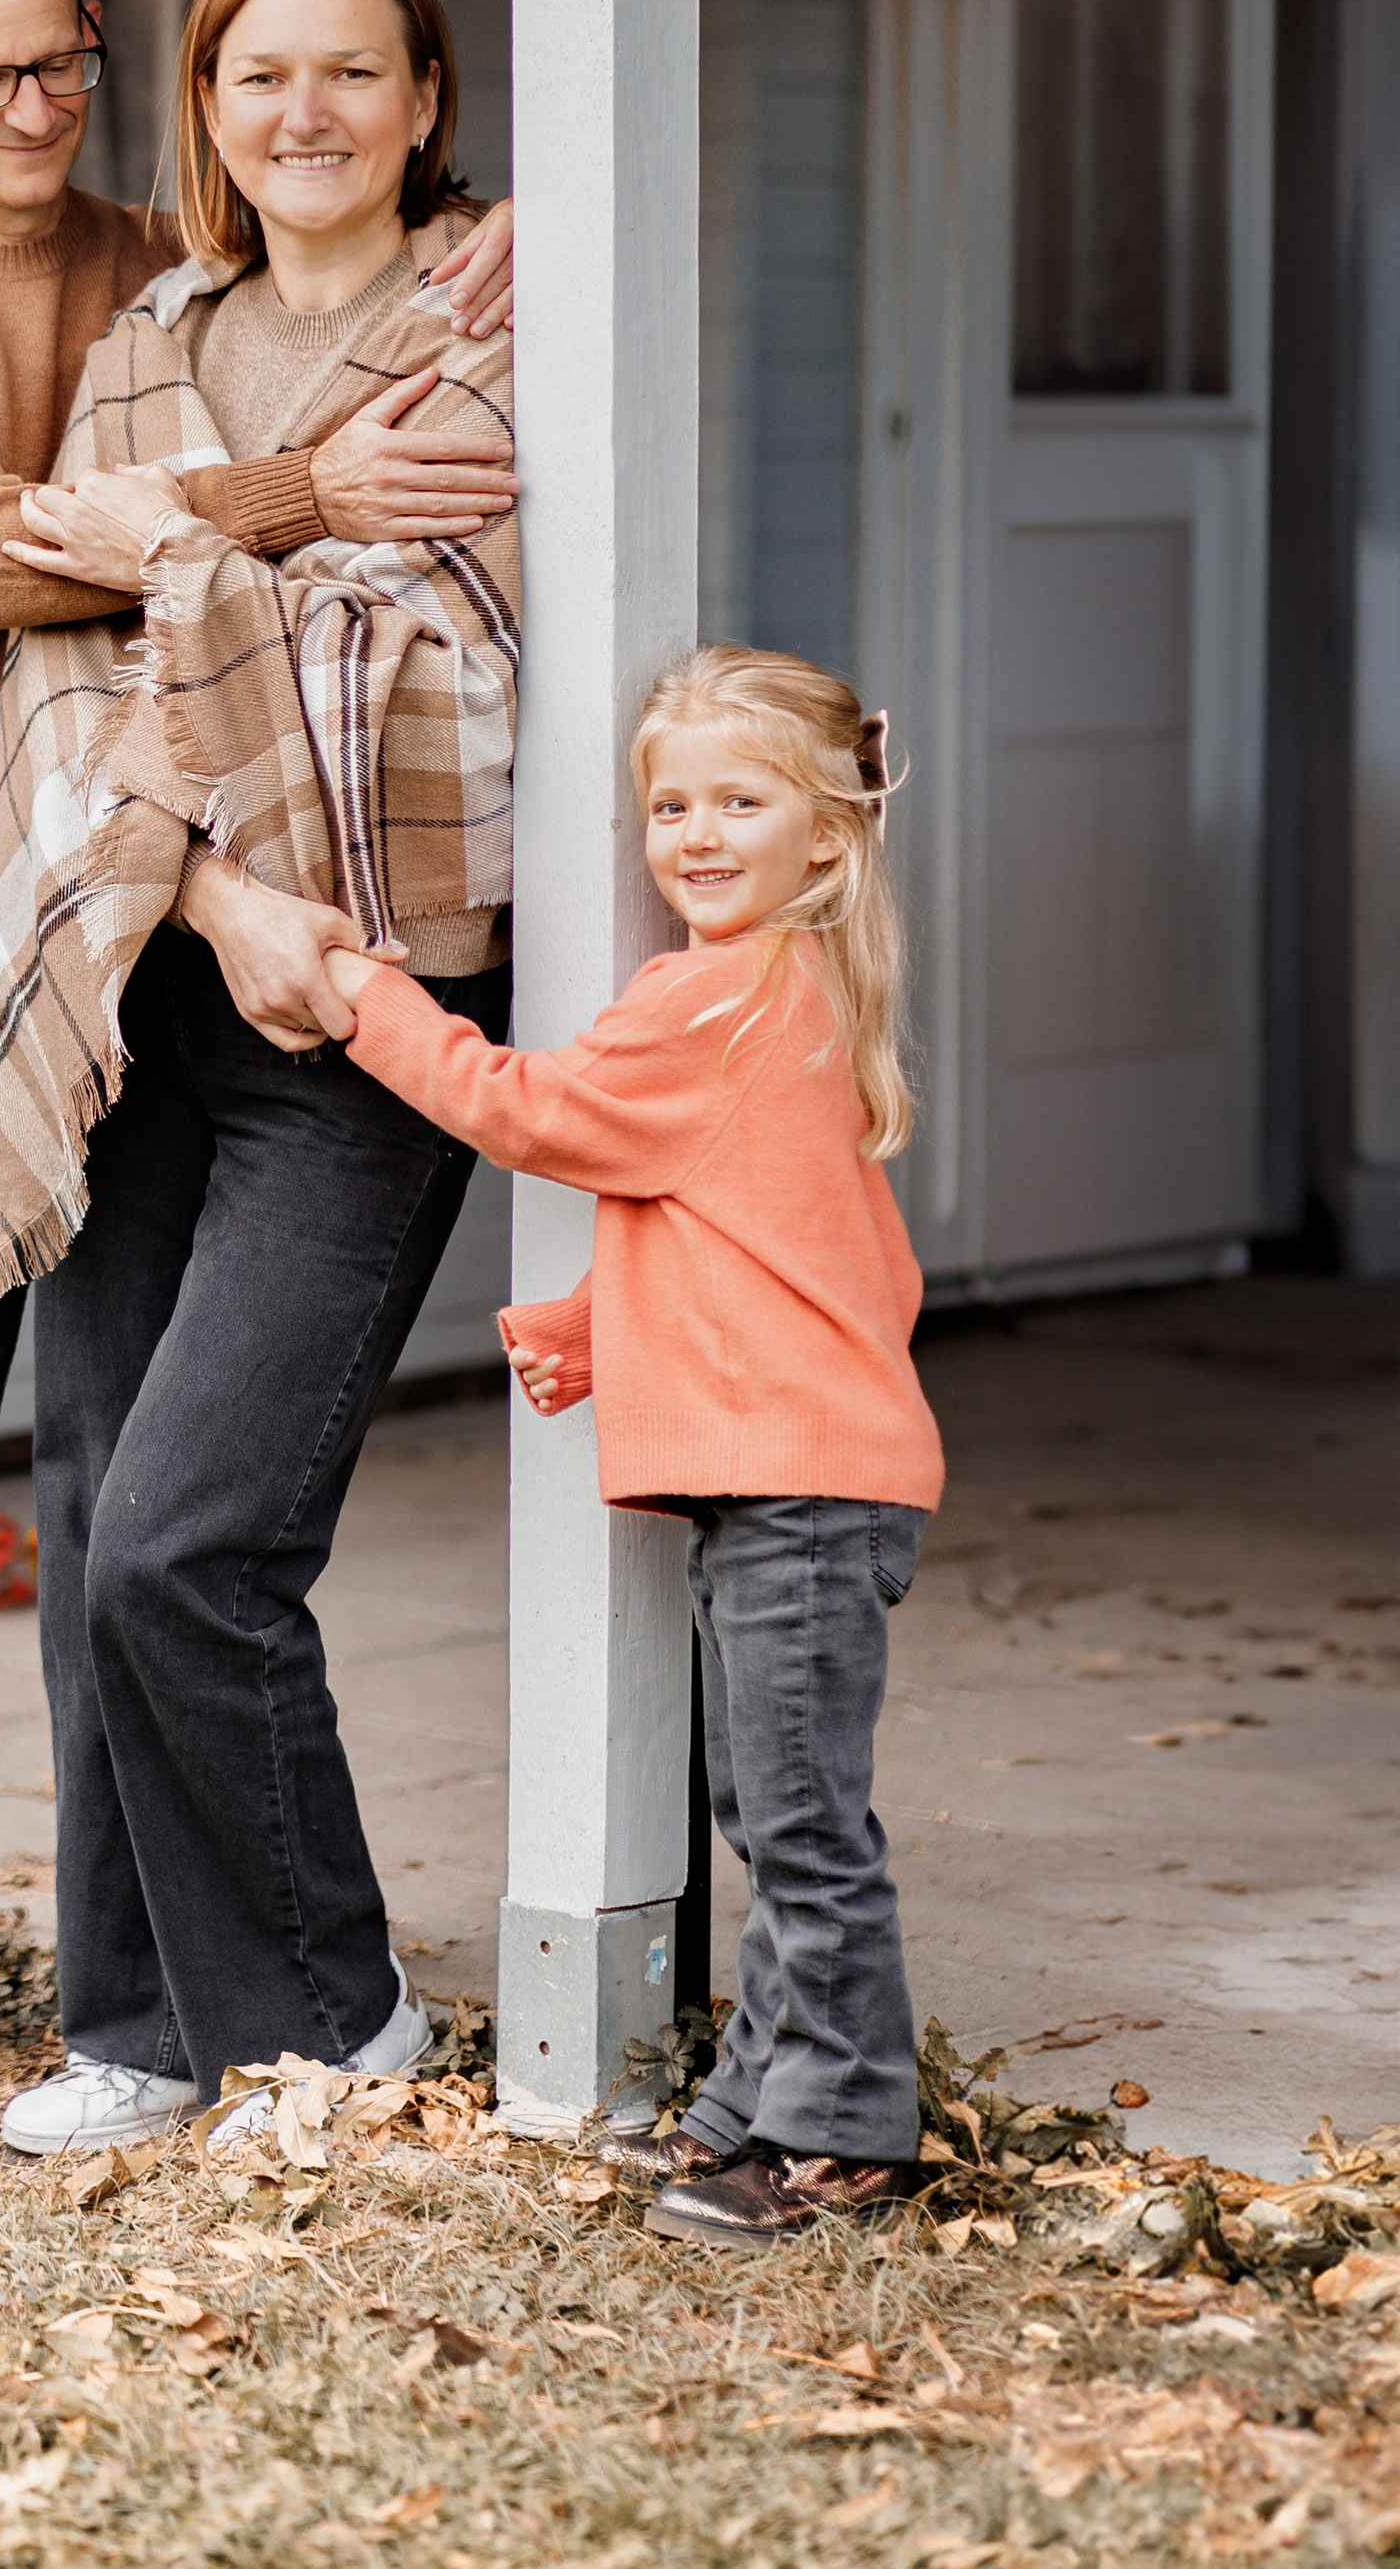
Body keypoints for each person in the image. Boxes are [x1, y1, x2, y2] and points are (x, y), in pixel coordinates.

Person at [0, 0, 516, 2130]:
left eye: (56, 64)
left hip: (285, 964)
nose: (26, 108)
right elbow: (19, 568)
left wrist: (186, 538)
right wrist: (289, 507)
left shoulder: (166, 275)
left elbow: (359, 600)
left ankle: (210, 2012)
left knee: (147, 1524)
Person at [323, 643, 943, 2245]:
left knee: (802, 1829)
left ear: (829, 833)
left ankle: (844, 2135)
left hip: (798, 1482)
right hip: (807, 1475)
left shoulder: (709, 992)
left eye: (742, 801)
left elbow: (527, 1111)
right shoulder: (794, 987)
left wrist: (366, 998)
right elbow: (803, 1249)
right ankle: (753, 2103)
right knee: (773, 1811)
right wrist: (606, 1329)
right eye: (672, 806)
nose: (696, 835)